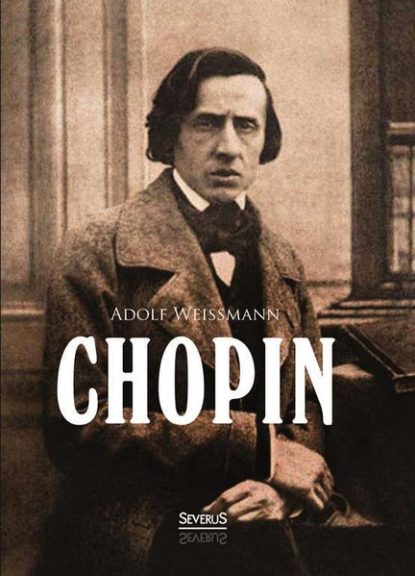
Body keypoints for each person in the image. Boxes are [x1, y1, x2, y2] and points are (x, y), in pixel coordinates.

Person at [40, 48, 338, 576]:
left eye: (246, 125)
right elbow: (78, 421)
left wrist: (280, 494)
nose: (228, 147)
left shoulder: (283, 259)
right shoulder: (97, 248)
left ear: (265, 139)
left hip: (268, 525)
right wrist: (256, 449)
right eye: (207, 123)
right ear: (170, 133)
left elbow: (310, 406)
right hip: (151, 531)